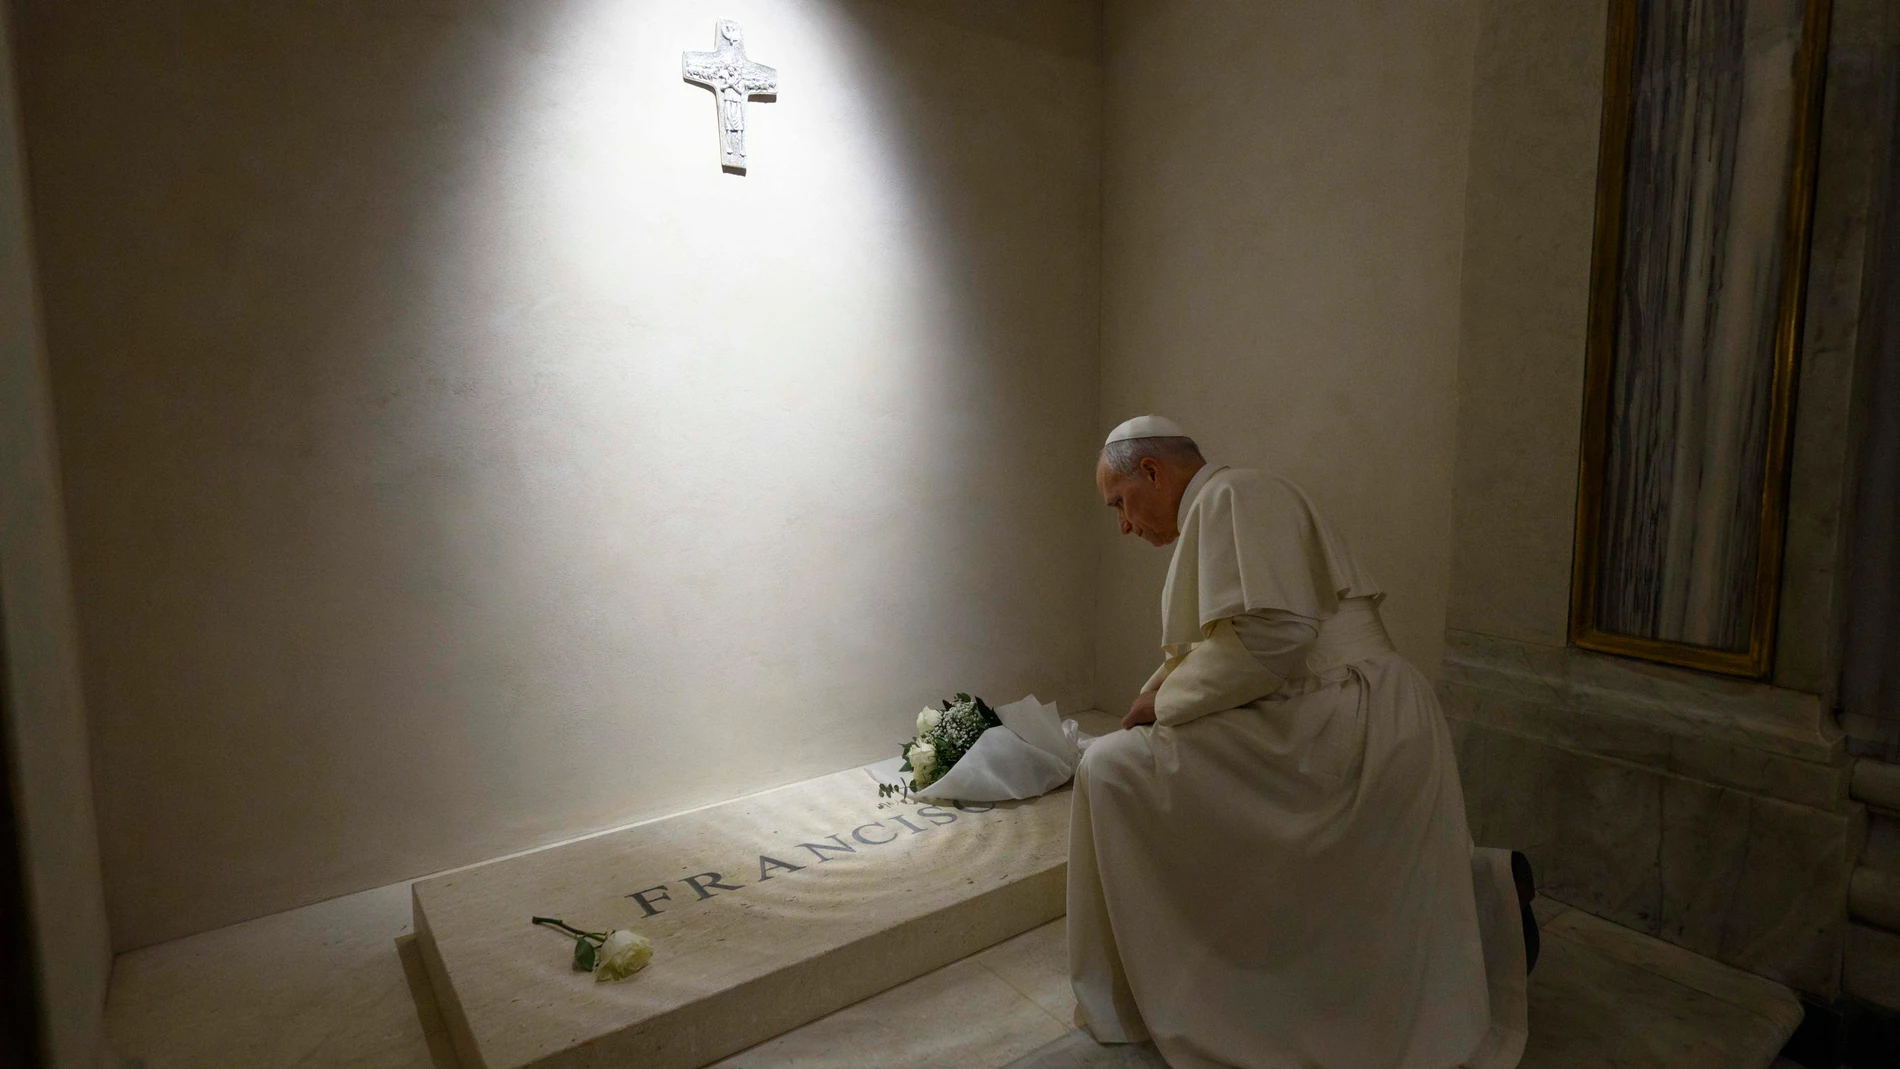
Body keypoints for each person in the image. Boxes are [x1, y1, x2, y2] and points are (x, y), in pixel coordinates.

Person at [1068, 415, 1533, 1069]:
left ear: (1151, 471)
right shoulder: (1229, 502)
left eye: (1119, 502)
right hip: (1335, 712)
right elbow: (1225, 643)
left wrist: (1163, 703)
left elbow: (1275, 634)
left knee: (1114, 770)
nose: (1122, 523)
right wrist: (1158, 696)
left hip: (1349, 719)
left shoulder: (1231, 494)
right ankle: (1487, 894)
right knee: (1120, 766)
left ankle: (1190, 990)